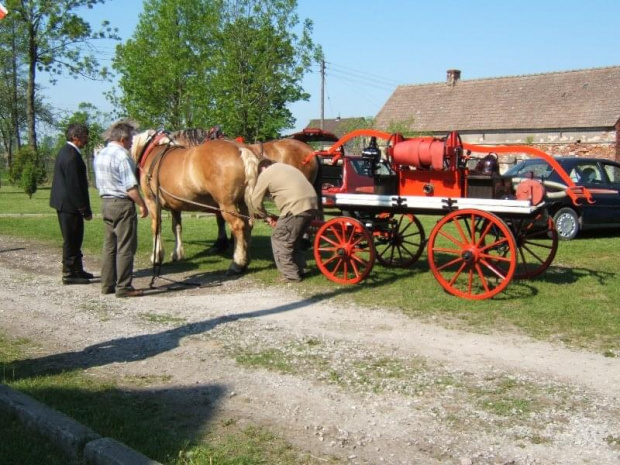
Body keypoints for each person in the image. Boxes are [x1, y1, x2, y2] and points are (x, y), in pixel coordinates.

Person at [93, 121, 148, 298]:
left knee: (109, 245)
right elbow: (131, 187)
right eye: (131, 139)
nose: (132, 142)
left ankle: (107, 284)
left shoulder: (101, 154)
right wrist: (142, 204)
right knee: (125, 246)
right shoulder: (122, 156)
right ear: (123, 139)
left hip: (106, 202)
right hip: (122, 204)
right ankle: (124, 286)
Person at [250, 159, 318, 282]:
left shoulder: (266, 173)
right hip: (311, 205)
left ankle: (290, 275)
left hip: (295, 207)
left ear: (262, 169)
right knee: (293, 239)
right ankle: (300, 269)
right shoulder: (288, 167)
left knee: (279, 239)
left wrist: (265, 217)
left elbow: (255, 200)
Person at [49, 123, 94, 285]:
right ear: (75, 137)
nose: (86, 139)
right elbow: (74, 186)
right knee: (71, 239)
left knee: (76, 238)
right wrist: (84, 209)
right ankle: (69, 272)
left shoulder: (68, 152)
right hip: (69, 205)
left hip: (66, 204)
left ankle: (77, 269)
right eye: (85, 136)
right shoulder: (71, 156)